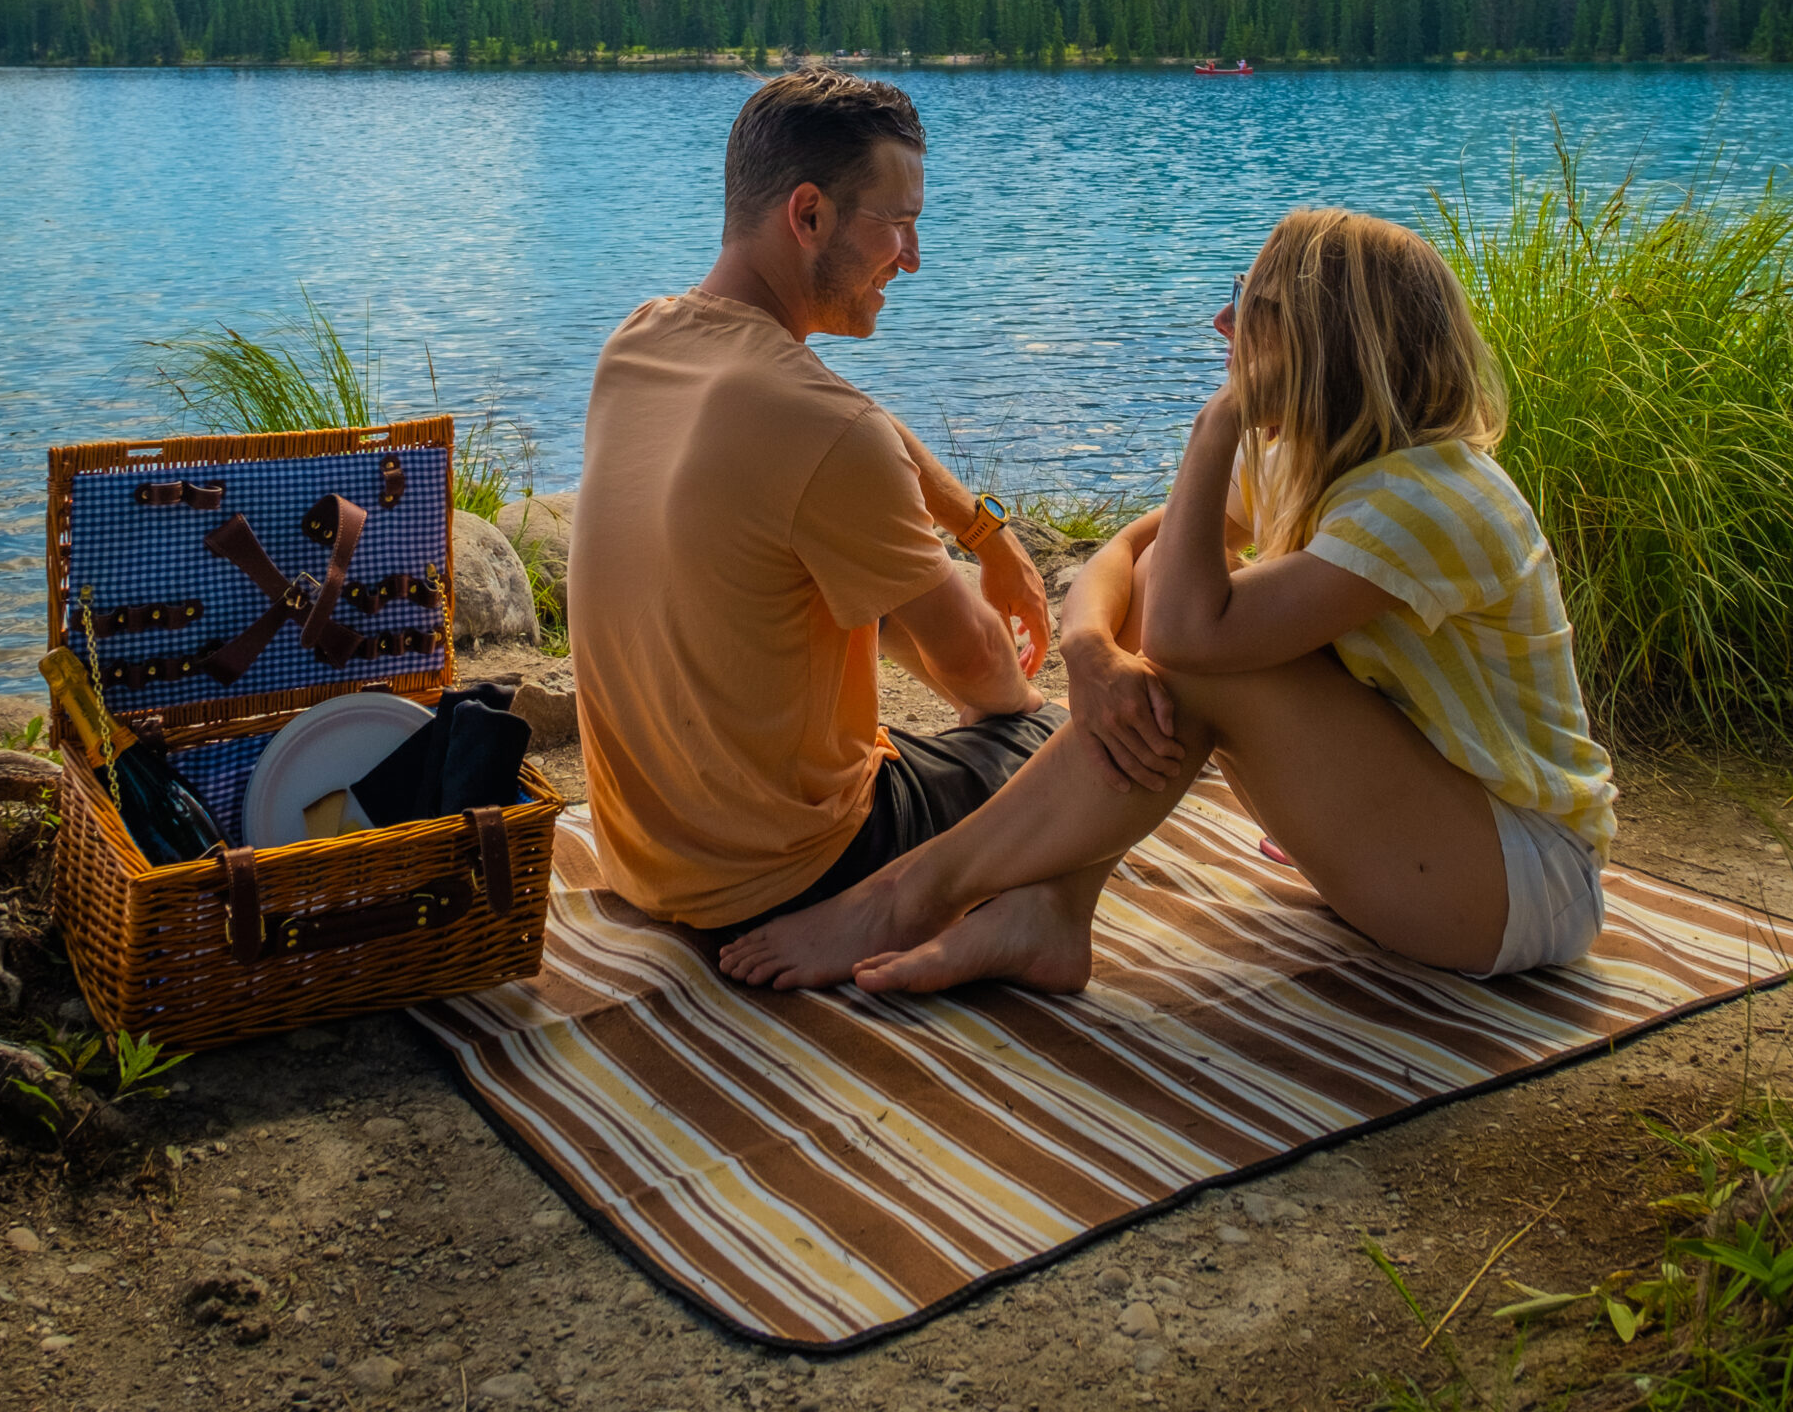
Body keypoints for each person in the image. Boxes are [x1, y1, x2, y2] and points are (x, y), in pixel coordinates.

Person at [719, 207, 1616, 994]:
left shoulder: (1430, 497)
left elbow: (1190, 635)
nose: (1221, 322)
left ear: (1324, 344)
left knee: (1193, 654)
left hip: (1518, 886)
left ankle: (908, 896)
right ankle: (1050, 910)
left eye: (1255, 311)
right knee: (1162, 600)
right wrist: (1087, 648)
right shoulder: (1312, 456)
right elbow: (1130, 553)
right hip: (1418, 851)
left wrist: (1216, 418)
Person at [565, 68, 1056, 936]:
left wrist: (984, 531)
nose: (912, 256)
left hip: (642, 858)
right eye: (897, 225)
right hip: (791, 876)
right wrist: (1002, 711)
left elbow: (842, 414)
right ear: (809, 215)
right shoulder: (822, 431)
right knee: (1078, 750)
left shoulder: (640, 342)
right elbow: (983, 667)